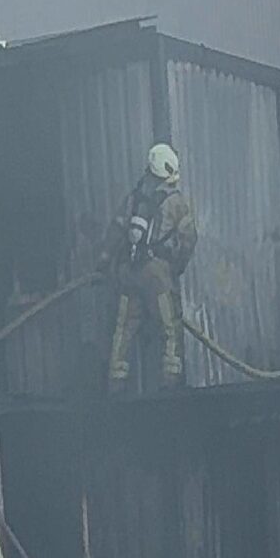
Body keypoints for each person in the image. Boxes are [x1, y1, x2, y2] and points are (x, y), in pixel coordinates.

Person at [103, 141, 198, 392]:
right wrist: (174, 268)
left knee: (124, 328)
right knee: (170, 326)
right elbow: (189, 239)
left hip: (129, 270)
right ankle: (171, 383)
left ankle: (116, 383)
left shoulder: (134, 197)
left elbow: (115, 229)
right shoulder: (177, 201)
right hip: (157, 274)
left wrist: (104, 260)